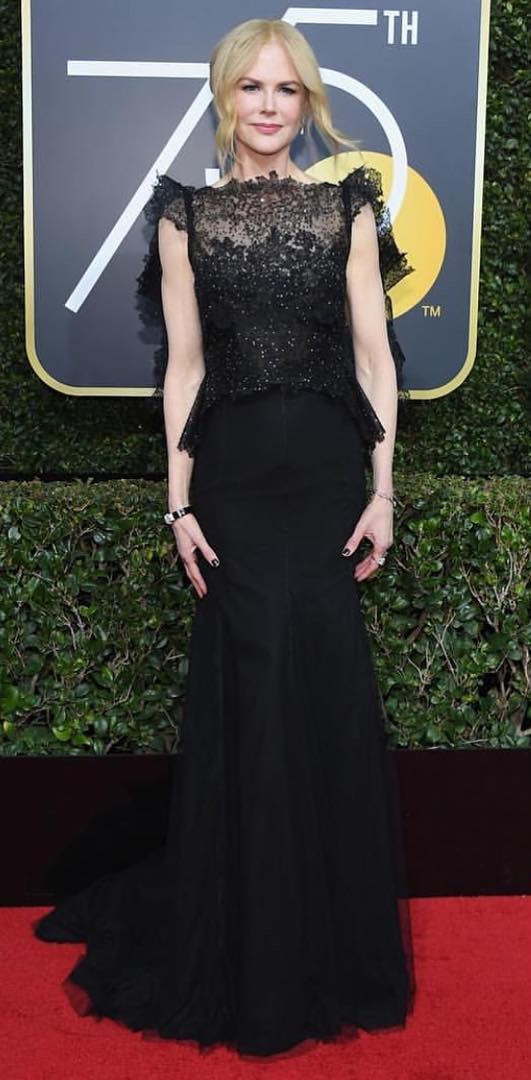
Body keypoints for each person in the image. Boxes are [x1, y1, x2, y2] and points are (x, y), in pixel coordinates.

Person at [33, 17, 417, 1059]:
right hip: (236, 484)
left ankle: (329, 946)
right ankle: (251, 953)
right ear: (225, 97)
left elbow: (374, 358)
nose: (268, 105)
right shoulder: (185, 219)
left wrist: (382, 490)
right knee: (251, 687)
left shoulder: (347, 206)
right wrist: (180, 504)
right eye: (251, 87)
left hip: (327, 474)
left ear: (308, 102)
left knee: (322, 684)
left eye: (286, 89)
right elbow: (186, 368)